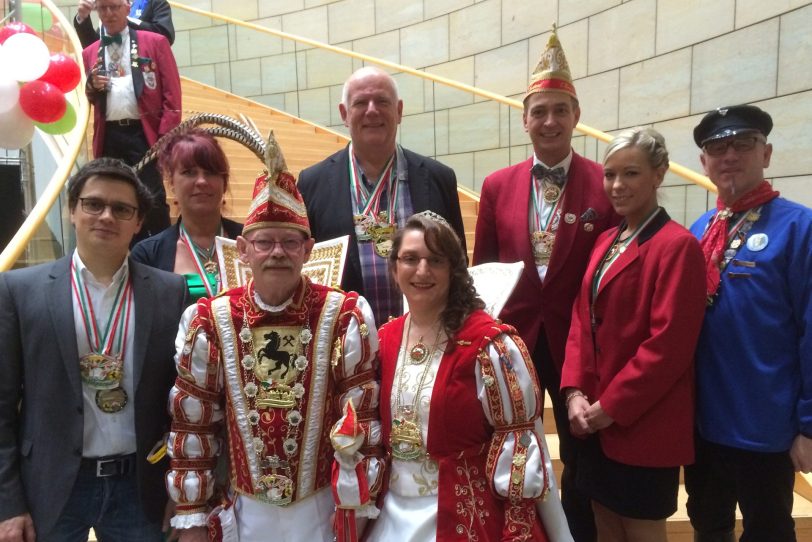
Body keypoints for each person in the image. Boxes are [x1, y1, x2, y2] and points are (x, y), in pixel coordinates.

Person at [166, 154, 384, 542]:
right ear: (243, 250)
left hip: (322, 509)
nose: (278, 252)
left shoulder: (344, 315)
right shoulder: (211, 320)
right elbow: (193, 424)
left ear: (309, 249)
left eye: (289, 241)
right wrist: (192, 518)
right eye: (264, 242)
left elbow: (361, 422)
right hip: (245, 511)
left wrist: (356, 508)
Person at [472, 27, 617, 541]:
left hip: (581, 346)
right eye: (540, 111)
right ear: (524, 119)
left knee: (581, 454)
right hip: (512, 344)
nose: (549, 121)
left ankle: (576, 533)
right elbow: (483, 271)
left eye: (560, 109)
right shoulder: (495, 185)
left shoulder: (606, 183)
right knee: (505, 445)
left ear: (576, 117)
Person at [0, 158, 187, 541]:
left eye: (122, 209)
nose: (106, 216)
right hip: (51, 486)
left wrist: (179, 488)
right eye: (93, 204)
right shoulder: (19, 291)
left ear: (137, 223)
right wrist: (8, 503)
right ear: (72, 210)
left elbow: (179, 403)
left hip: (139, 486)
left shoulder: (170, 293)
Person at [369, 212, 572, 542]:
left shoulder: (491, 344)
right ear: (394, 268)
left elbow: (518, 447)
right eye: (410, 259)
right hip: (390, 513)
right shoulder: (385, 338)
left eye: (435, 260)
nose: (422, 270)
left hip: (465, 515)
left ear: (454, 269)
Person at [560, 127, 706, 541]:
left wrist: (611, 406)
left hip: (641, 423)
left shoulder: (678, 247)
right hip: (592, 420)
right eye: (610, 175)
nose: (617, 186)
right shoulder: (607, 239)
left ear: (658, 175)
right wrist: (573, 392)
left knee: (640, 532)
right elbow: (580, 320)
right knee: (604, 527)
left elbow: (669, 346)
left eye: (631, 174)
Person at [684, 104, 812, 542]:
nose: (730, 155)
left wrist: (808, 425)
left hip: (768, 427)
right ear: (704, 162)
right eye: (717, 148)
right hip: (704, 424)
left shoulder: (801, 227)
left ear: (767, 153)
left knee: (770, 530)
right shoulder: (699, 229)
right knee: (707, 524)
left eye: (743, 143)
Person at [298, 66, 466, 326]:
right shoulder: (312, 184)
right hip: (345, 347)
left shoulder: (438, 179)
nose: (372, 110)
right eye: (361, 102)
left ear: (399, 111)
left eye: (382, 101)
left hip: (425, 341)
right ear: (344, 113)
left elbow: (458, 267)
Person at [82, 0, 182, 244]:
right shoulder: (90, 52)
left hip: (144, 134)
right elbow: (94, 98)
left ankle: (161, 252)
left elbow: (172, 95)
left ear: (127, 8)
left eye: (114, 7)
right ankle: (122, 252)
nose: (108, 14)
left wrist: (164, 138)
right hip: (110, 136)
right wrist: (92, 87)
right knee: (112, 198)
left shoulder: (154, 42)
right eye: (103, 9)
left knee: (153, 198)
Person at [131, 128, 242, 301]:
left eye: (210, 172)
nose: (201, 181)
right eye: (189, 172)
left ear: (224, 182)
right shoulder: (147, 255)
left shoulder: (251, 241)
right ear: (172, 183)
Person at [74, 0, 175, 49]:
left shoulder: (156, 3)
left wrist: (124, 19)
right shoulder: (109, 7)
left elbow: (166, 37)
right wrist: (83, 17)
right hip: (112, 76)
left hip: (144, 72)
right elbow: (93, 46)